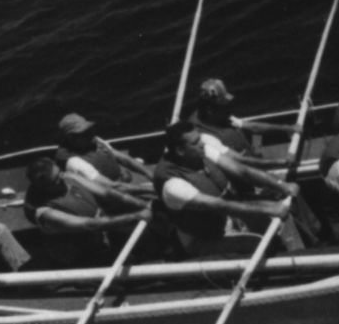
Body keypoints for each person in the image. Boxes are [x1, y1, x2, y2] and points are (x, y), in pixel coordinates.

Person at [150, 121, 295, 258]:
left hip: (226, 217)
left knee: (279, 213)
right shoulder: (173, 185)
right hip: (203, 238)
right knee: (257, 244)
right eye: (195, 142)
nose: (202, 143)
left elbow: (241, 170)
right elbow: (218, 205)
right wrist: (267, 209)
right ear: (180, 150)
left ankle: (295, 252)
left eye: (199, 139)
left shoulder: (199, 151)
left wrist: (281, 185)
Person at [22, 156, 147, 268]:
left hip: (101, 235)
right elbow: (89, 225)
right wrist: (137, 216)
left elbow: (108, 193)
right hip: (81, 256)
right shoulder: (45, 213)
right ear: (43, 186)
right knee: (130, 262)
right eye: (57, 180)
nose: (62, 179)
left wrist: (143, 205)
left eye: (60, 173)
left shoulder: (67, 177)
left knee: (146, 238)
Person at [190, 78, 300, 168]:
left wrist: (286, 128)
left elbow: (252, 127)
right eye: (223, 106)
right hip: (241, 170)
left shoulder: (216, 114)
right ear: (210, 110)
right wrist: (279, 162)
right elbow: (240, 160)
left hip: (251, 158)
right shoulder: (203, 136)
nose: (227, 108)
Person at [55, 113, 155, 208]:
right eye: (84, 132)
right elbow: (112, 187)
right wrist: (152, 189)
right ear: (71, 137)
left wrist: (149, 174)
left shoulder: (92, 140)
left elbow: (123, 158)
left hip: (120, 183)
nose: (90, 134)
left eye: (89, 129)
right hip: (109, 197)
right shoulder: (74, 162)